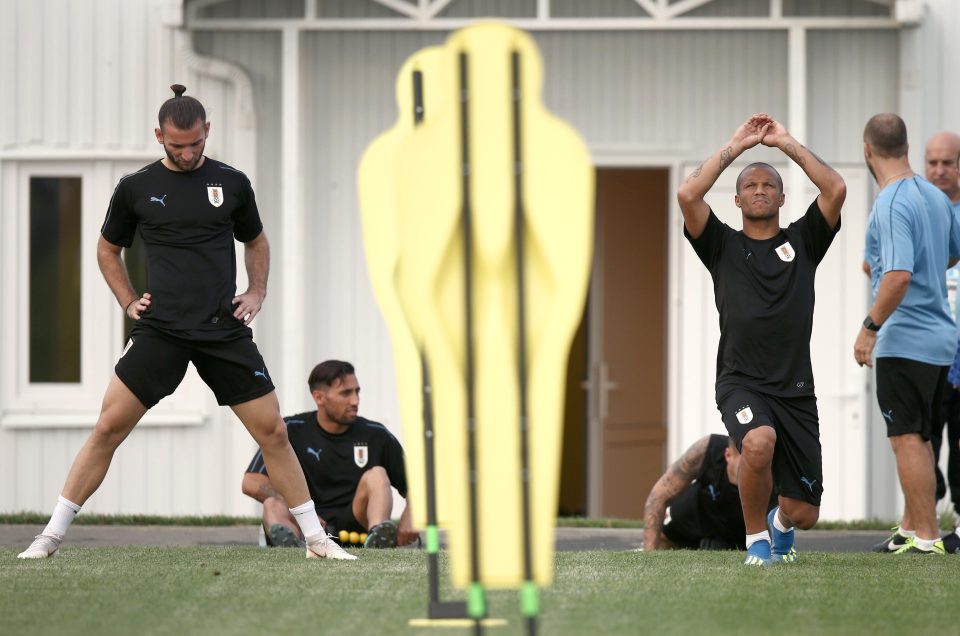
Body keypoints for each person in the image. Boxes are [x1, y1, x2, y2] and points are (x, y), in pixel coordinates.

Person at [18, 85, 354, 562]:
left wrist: (257, 291)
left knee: (274, 431)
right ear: (159, 136)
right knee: (109, 427)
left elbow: (256, 241)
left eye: (195, 143)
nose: (188, 152)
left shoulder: (232, 182)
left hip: (223, 329)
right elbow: (106, 249)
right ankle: (48, 537)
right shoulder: (134, 188)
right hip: (162, 330)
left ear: (207, 132)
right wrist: (128, 300)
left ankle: (317, 542)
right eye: (177, 146)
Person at [676, 113, 845, 567]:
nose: (758, 189)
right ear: (736, 199)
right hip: (740, 381)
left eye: (768, 185)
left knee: (804, 512)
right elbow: (688, 193)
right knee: (758, 441)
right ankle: (757, 542)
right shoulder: (722, 246)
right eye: (749, 185)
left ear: (782, 196)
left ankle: (780, 526)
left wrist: (784, 143)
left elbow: (836, 190)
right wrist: (737, 145)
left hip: (795, 390)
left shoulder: (805, 242)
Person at [856, 114, 960, 555]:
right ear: (907, 147)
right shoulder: (936, 198)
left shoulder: (892, 201)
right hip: (941, 338)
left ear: (868, 151)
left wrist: (869, 328)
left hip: (906, 337)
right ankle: (914, 529)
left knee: (908, 437)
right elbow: (951, 255)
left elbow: (897, 276)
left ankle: (927, 536)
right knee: (921, 436)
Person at [243, 360, 418, 549]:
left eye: (357, 391)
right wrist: (302, 511)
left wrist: (411, 516)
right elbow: (251, 481)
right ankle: (293, 551)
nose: (355, 401)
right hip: (306, 527)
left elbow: (416, 488)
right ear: (319, 397)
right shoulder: (291, 430)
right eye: (346, 393)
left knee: (377, 475)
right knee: (272, 503)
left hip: (355, 529)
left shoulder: (376, 434)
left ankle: (378, 539)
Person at [922, 131, 960, 554]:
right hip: (927, 341)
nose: (939, 171)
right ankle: (921, 522)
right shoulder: (917, 208)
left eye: (947, 163)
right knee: (923, 435)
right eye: (932, 162)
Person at [644, 434, 776, 551]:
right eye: (745, 465)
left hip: (741, 531)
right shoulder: (708, 449)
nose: (752, 471)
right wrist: (649, 555)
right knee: (662, 538)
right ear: (728, 455)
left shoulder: (777, 469)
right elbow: (658, 496)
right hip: (697, 516)